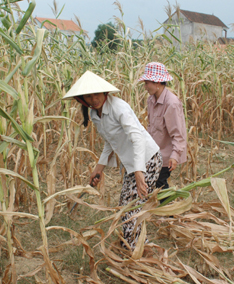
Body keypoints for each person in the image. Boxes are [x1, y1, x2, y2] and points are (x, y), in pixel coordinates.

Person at [63, 70, 162, 251]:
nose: (94, 100)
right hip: (133, 163)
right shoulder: (95, 114)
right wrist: (99, 168)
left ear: (104, 93)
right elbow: (110, 141)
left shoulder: (118, 108)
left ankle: (135, 252)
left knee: (131, 209)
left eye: (96, 94)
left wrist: (139, 172)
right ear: (82, 99)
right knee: (126, 207)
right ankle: (137, 246)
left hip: (147, 160)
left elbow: (138, 138)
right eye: (89, 96)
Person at [138, 62, 187, 191]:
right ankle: (163, 208)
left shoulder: (172, 103)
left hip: (166, 154)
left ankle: (168, 209)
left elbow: (178, 133)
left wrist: (175, 155)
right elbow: (151, 126)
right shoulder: (151, 100)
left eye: (147, 83)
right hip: (154, 152)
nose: (145, 87)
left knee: (160, 183)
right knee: (155, 183)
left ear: (157, 83)